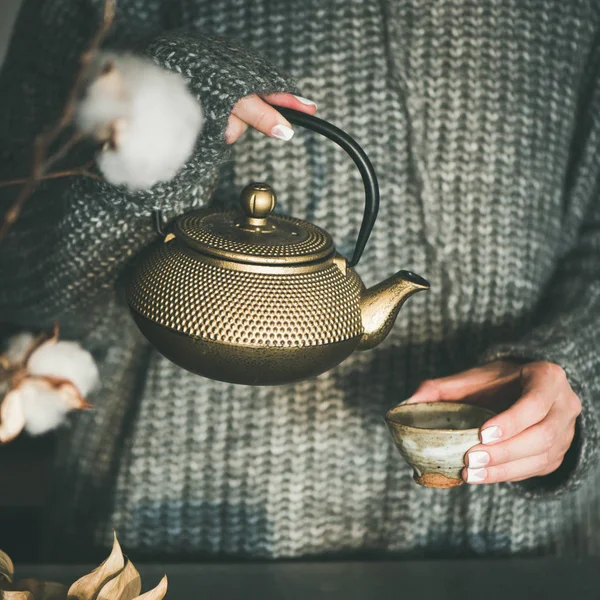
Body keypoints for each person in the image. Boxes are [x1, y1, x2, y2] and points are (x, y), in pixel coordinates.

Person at [0, 0, 599, 561]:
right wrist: (153, 125)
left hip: (510, 546)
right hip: (172, 532)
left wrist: (577, 371)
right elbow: (24, 272)